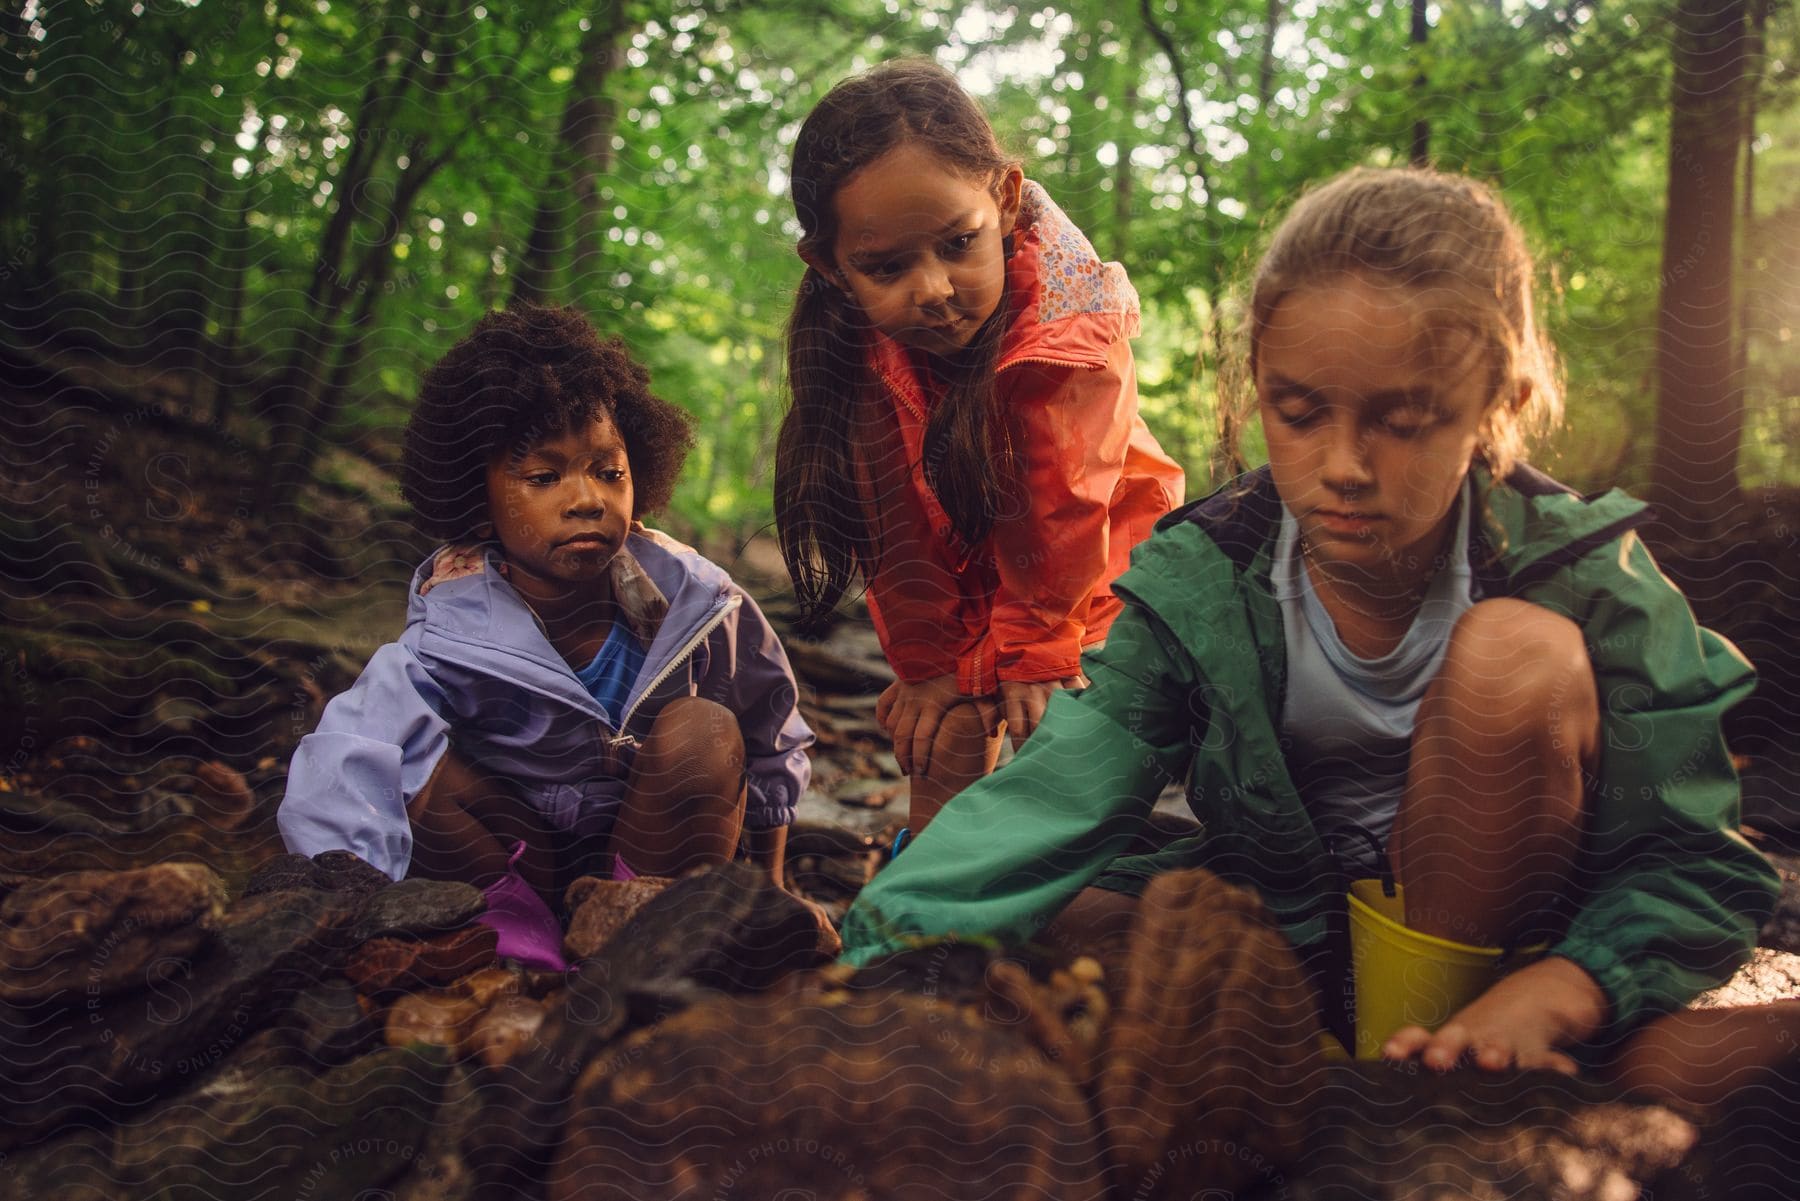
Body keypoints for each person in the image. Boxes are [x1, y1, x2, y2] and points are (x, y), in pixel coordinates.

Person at [838, 166, 1785, 1102]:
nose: (1344, 467)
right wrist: (867, 956)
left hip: (1522, 958)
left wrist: (1569, 987)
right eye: (1299, 413)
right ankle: (1359, 1067)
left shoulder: (1582, 576)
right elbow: (1057, 797)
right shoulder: (1208, 573)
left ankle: (1431, 1083)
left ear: (1498, 398)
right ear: (1257, 387)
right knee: (1023, 922)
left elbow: (1692, 858)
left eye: (1406, 421)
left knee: (1514, 659)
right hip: (1293, 939)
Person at [279, 305, 815, 963]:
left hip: (650, 848)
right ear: (479, 497)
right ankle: (509, 935)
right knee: (411, 768)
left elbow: (770, 733)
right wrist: (351, 903)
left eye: (607, 470)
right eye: (544, 476)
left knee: (707, 728)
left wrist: (771, 882)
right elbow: (348, 756)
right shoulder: (450, 631)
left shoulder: (695, 603)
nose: (586, 497)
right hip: (511, 850)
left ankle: (639, 935)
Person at [774, 59, 1185, 840]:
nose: (931, 288)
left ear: (1002, 200)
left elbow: (1064, 505)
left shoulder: (1071, 331)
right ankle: (932, 909)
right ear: (831, 264)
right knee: (946, 727)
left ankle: (1049, 896)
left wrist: (1033, 650)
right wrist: (929, 669)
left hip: (1098, 575)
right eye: (887, 266)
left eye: (958, 243)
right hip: (975, 568)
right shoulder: (856, 354)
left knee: (1054, 724)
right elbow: (893, 529)